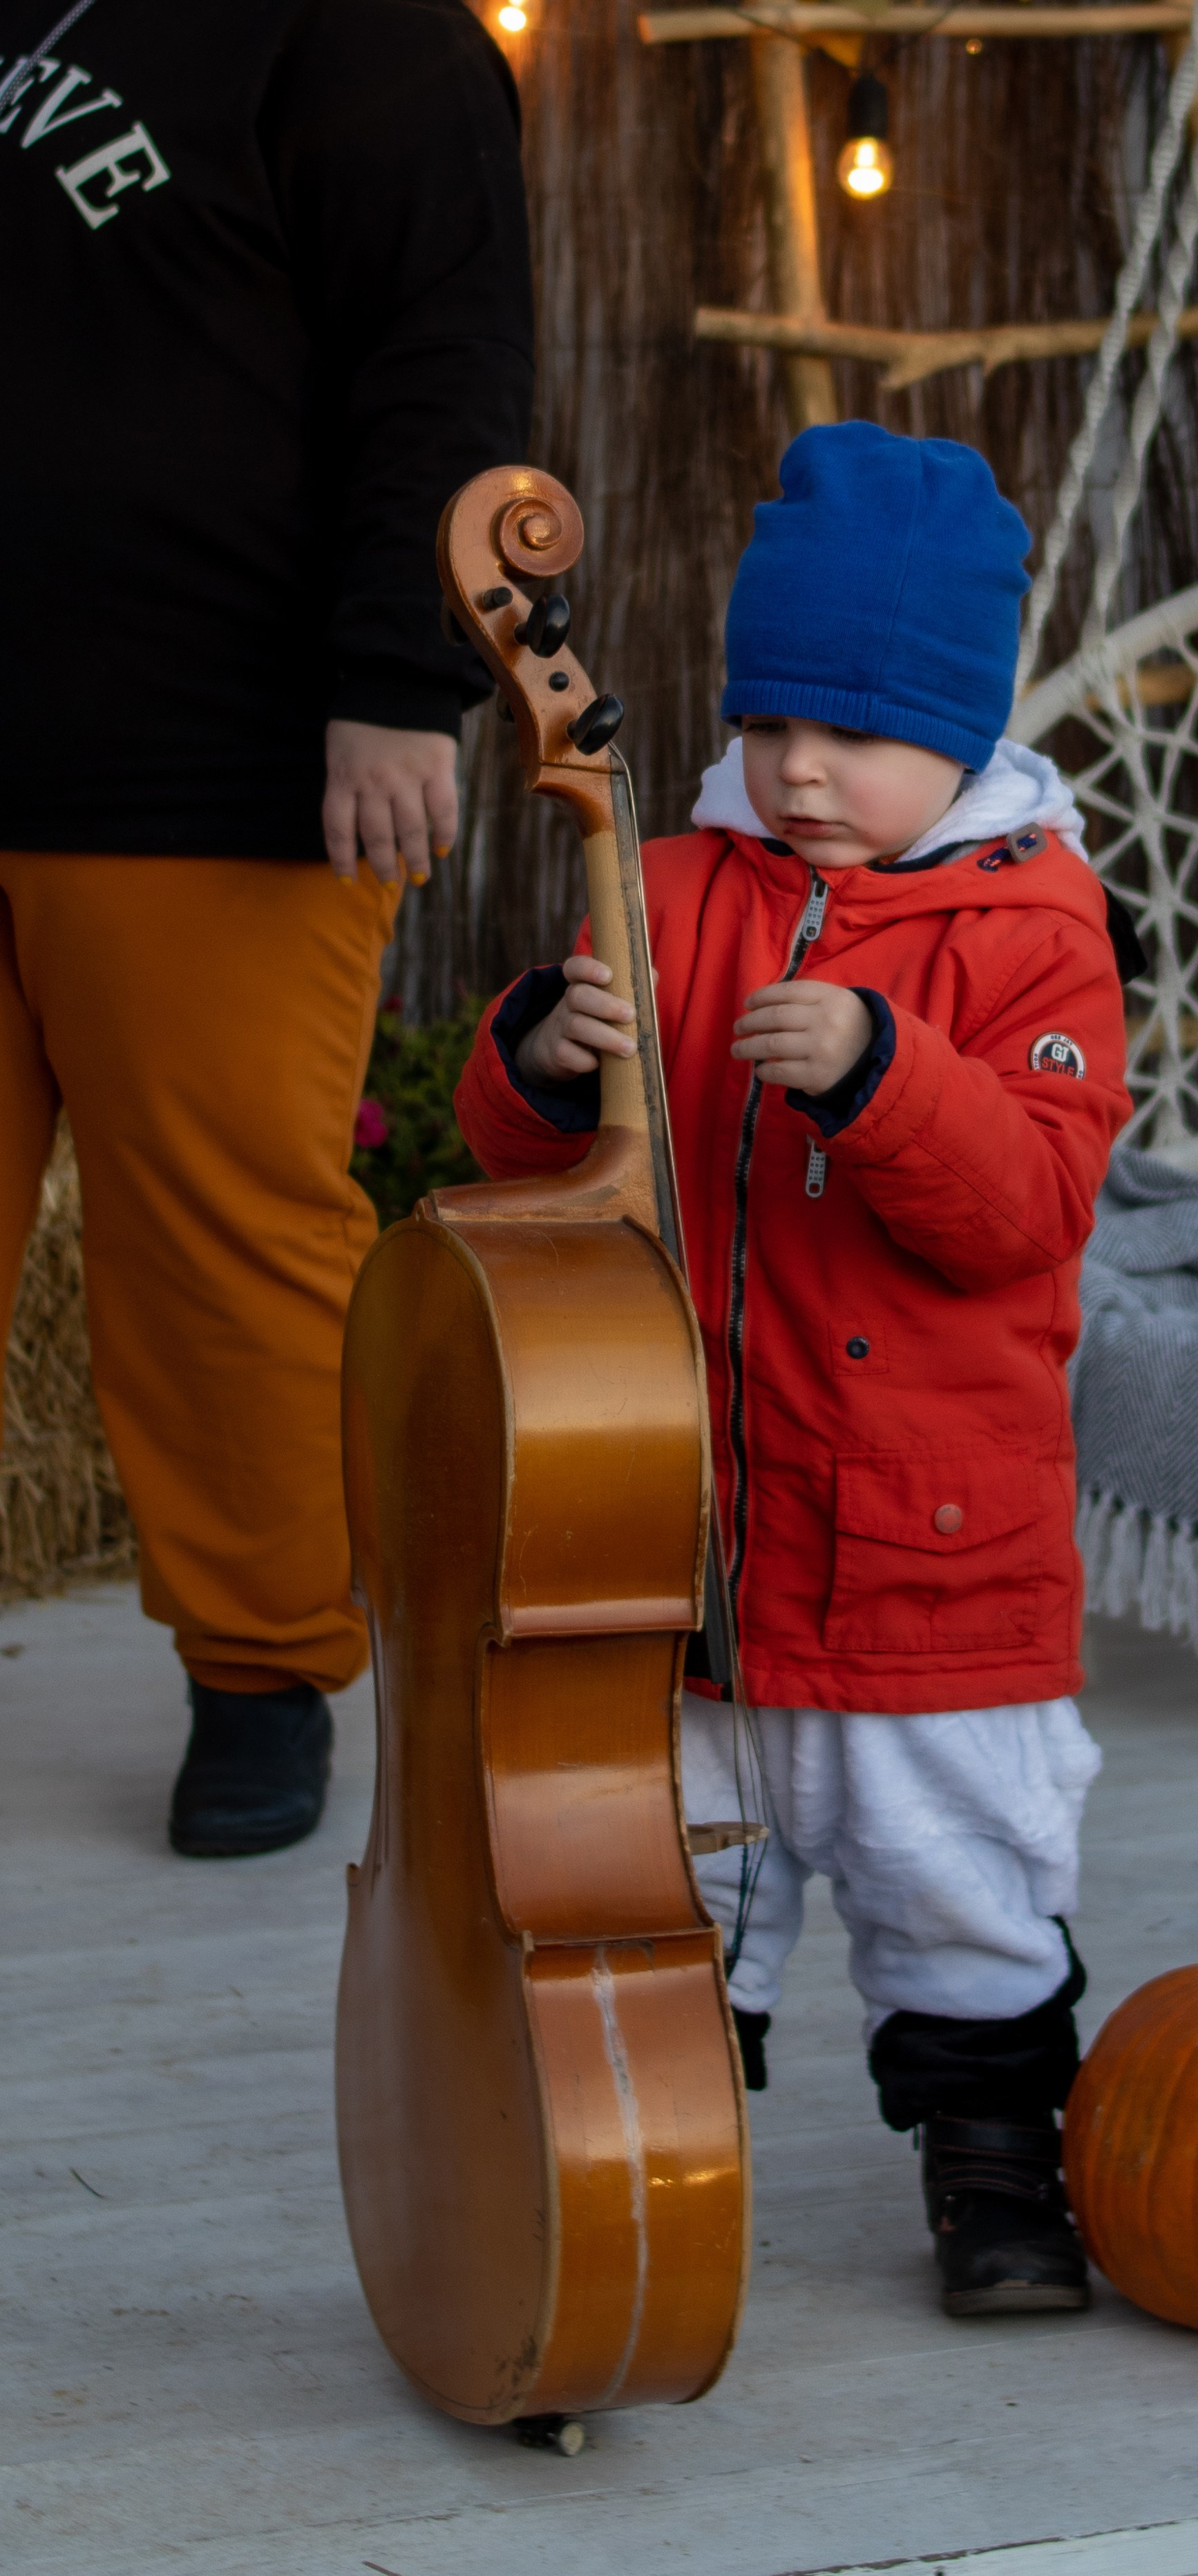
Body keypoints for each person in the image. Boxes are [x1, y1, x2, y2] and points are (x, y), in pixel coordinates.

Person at [454, 422, 1131, 2316]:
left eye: (857, 730)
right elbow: (537, 1174)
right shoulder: (665, 885)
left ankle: (994, 2168)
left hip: (931, 1554)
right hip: (694, 1548)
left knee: (961, 1887)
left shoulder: (1034, 928)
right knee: (672, 1893)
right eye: (771, 724)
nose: (804, 769)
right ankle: (662, 2178)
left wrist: (884, 1074)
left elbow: (1029, 1207)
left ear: (963, 732)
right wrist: (541, 1054)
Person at [0, 0, 533, 1855]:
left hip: (209, 754)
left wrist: (399, 673)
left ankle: (257, 1668)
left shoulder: (370, 35)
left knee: (218, 1248)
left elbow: (446, 362)